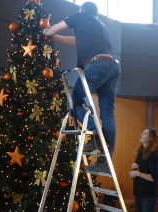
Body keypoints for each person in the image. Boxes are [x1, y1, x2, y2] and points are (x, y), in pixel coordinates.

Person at [43, 1, 121, 172]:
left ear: (82, 10)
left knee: (74, 101)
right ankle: (106, 162)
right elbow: (74, 40)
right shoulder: (99, 26)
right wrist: (56, 38)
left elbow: (55, 28)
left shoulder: (79, 16)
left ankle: (95, 135)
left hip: (97, 64)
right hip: (113, 66)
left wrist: (47, 31)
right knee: (108, 113)